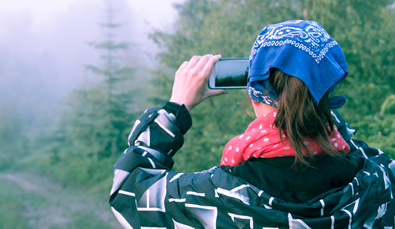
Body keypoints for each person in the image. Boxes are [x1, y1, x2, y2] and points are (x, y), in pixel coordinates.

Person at [109, 20, 395, 228]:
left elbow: (130, 192)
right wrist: (316, 108)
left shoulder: (217, 194)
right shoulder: (378, 181)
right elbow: (354, 148)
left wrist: (176, 108)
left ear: (253, 92)